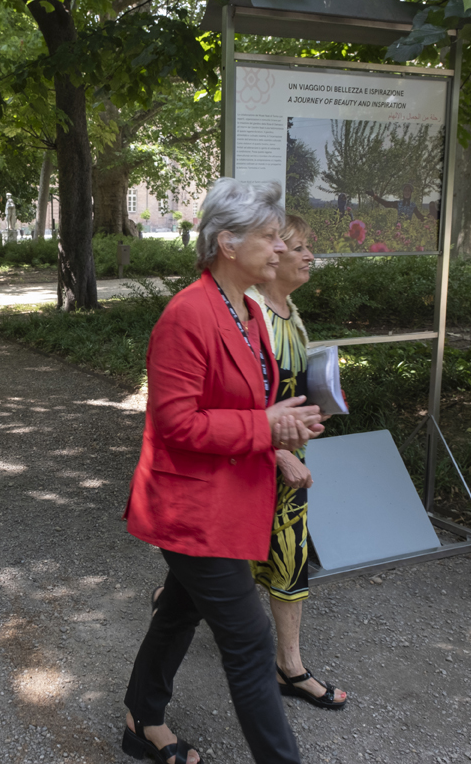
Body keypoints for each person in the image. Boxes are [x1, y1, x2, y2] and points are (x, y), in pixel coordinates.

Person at [121, 178, 325, 764]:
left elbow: (244, 407)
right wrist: (266, 431)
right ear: (228, 244)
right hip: (191, 511)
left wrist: (279, 440)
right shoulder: (188, 314)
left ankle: (141, 720)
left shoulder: (246, 312)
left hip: (228, 500)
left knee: (180, 612)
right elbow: (177, 423)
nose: (281, 249)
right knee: (250, 641)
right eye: (269, 238)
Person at [246, 214, 347, 711]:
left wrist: (315, 408)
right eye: (300, 247)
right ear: (272, 254)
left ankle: (290, 666)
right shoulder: (250, 317)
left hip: (290, 461)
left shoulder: (291, 311)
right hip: (252, 462)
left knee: (290, 555)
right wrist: (280, 452)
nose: (311, 257)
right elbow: (240, 400)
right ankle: (175, 600)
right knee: (226, 560)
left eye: (310, 248)